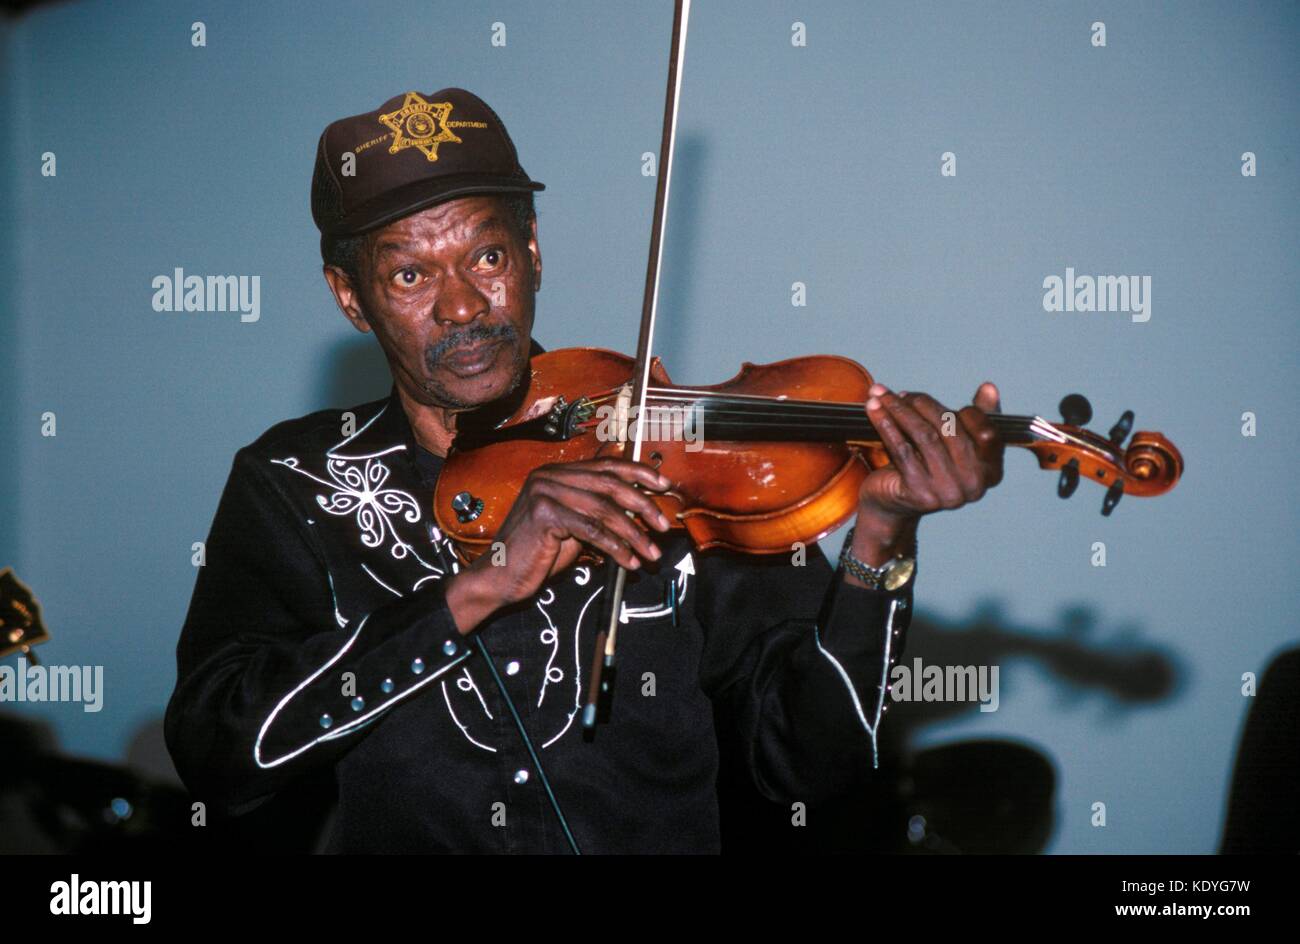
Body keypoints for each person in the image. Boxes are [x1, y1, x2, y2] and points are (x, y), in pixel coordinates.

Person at [164, 87, 1004, 853]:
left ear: (532, 253)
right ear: (351, 298)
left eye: (486, 258)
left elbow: (812, 765)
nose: (461, 306)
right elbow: (219, 752)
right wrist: (482, 584)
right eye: (411, 274)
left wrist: (881, 538)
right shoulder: (297, 482)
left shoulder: (673, 464)